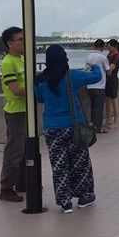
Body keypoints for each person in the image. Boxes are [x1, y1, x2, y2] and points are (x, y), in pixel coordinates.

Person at [34, 45, 102, 213]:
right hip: (74, 126)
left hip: (52, 128)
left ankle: (65, 202)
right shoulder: (73, 76)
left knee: (59, 165)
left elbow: (40, 99)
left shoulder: (40, 80)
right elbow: (97, 77)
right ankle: (84, 197)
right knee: (80, 162)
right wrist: (95, 66)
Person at [0, 26, 26, 202]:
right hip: (16, 113)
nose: (24, 42)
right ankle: (6, 188)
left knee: (26, 150)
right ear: (10, 43)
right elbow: (15, 90)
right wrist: (36, 89)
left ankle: (22, 182)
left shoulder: (23, 59)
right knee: (14, 151)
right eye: (20, 40)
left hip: (26, 111)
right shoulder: (8, 63)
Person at [85, 39, 111, 133]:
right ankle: (98, 128)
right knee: (99, 108)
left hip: (89, 85)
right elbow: (108, 71)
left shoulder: (89, 57)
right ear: (103, 47)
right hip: (100, 86)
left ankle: (92, 126)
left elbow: (86, 70)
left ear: (94, 46)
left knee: (92, 107)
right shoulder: (103, 58)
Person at [105, 38, 119, 128]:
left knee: (114, 101)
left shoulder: (117, 55)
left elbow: (110, 69)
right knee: (107, 101)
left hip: (113, 80)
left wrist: (108, 71)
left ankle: (116, 122)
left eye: (110, 47)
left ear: (115, 47)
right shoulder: (109, 55)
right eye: (108, 47)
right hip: (107, 79)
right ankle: (108, 120)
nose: (108, 49)